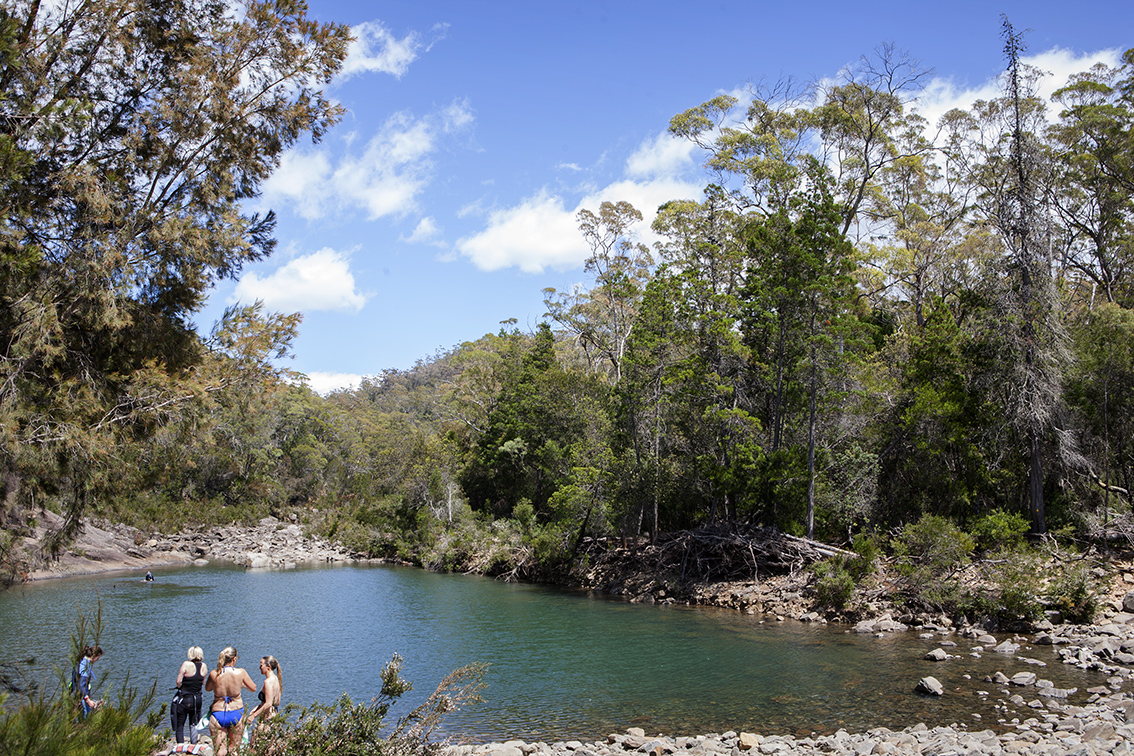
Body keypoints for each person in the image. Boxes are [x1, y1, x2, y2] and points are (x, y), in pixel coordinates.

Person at [205, 646, 256, 756]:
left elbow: (208, 688)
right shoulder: (240, 673)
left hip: (218, 712)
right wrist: (240, 685)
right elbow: (253, 688)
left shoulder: (214, 673)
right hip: (236, 713)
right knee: (234, 750)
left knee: (220, 751)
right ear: (234, 659)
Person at [171, 646, 207, 744]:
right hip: (197, 699)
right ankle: (194, 743)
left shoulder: (186, 664)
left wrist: (181, 686)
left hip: (185, 698)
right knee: (194, 723)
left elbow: (178, 681)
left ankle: (180, 745)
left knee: (180, 723)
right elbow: (202, 683)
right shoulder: (203, 666)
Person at [246, 655, 282, 743]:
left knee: (254, 746)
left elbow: (268, 703)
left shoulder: (268, 682)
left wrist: (253, 716)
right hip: (274, 716)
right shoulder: (276, 679)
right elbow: (277, 702)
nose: (259, 668)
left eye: (261, 665)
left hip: (267, 719)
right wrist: (255, 709)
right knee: (268, 747)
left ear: (268, 666)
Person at [75, 645, 103, 718]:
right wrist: (88, 700)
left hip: (76, 694)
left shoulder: (80, 662)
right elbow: (81, 685)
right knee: (83, 717)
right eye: (98, 658)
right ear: (93, 655)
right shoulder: (85, 666)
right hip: (80, 697)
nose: (97, 660)